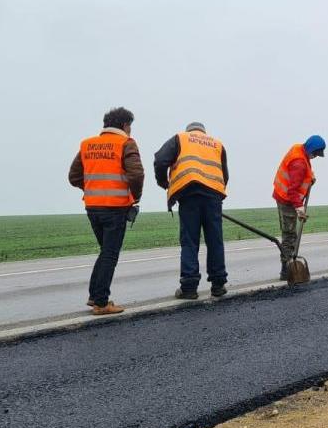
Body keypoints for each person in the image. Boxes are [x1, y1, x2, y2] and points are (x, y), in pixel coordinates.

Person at [68, 107, 144, 315]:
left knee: (106, 252)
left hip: (93, 207)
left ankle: (95, 296)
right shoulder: (126, 143)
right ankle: (101, 303)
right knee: (110, 254)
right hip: (116, 207)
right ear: (125, 125)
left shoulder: (87, 144)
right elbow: (137, 174)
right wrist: (135, 197)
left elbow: (74, 177)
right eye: (130, 127)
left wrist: (93, 188)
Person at [154, 122, 229, 299]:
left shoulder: (181, 138)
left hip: (189, 194)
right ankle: (218, 285)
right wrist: (214, 193)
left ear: (189, 131)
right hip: (213, 196)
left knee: (189, 241)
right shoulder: (217, 144)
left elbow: (160, 160)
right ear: (204, 132)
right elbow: (224, 175)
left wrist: (164, 182)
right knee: (215, 240)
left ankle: (189, 287)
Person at [272, 135, 325, 280]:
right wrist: (300, 209)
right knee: (289, 235)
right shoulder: (299, 163)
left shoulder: (299, 149)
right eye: (315, 154)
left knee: (289, 234)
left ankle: (288, 265)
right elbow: (292, 190)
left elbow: (303, 169)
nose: (315, 157)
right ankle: (286, 270)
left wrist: (310, 176)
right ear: (311, 149)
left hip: (284, 196)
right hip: (287, 200)